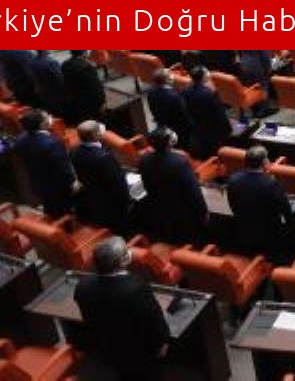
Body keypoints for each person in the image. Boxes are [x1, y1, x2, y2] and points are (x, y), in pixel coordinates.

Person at [72, 238, 169, 381]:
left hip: (105, 347)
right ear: (123, 261)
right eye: (126, 251)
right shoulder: (136, 289)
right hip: (139, 355)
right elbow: (153, 321)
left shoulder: (83, 285)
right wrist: (161, 344)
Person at [137, 128, 207, 245]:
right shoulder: (180, 162)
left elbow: (147, 185)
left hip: (159, 209)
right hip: (183, 213)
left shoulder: (144, 160)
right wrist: (203, 212)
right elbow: (193, 192)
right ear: (170, 142)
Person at [226, 146, 294, 265]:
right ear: (264, 162)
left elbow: (232, 205)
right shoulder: (271, 183)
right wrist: (290, 225)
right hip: (270, 234)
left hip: (244, 229)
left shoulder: (233, 180)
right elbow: (285, 209)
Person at [13, 109, 77, 218]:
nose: (50, 116)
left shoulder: (20, 140)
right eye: (47, 116)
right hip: (58, 187)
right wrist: (73, 182)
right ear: (42, 124)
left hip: (38, 183)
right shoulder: (52, 143)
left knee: (51, 207)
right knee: (65, 211)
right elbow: (63, 167)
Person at [71, 121, 130, 234]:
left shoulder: (73, 151)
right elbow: (117, 184)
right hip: (112, 203)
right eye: (99, 130)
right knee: (120, 228)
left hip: (92, 198)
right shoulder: (104, 157)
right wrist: (127, 202)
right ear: (96, 135)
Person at [181, 66, 231, 161]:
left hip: (197, 126)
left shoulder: (186, 90)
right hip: (213, 127)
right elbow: (219, 113)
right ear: (203, 77)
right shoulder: (210, 93)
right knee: (216, 149)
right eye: (207, 72)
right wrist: (228, 128)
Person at [61, 49, 106, 126]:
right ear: (84, 52)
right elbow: (96, 89)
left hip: (74, 102)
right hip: (89, 105)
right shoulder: (87, 67)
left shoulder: (64, 64)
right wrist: (102, 102)